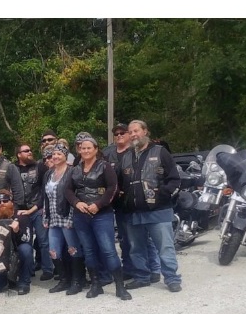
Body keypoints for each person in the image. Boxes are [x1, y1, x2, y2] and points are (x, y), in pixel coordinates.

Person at [65, 137, 132, 301]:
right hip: (81, 216)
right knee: (88, 251)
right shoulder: (74, 169)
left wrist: (99, 204)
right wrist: (76, 202)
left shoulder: (105, 166)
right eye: (83, 148)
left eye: (89, 148)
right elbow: (67, 189)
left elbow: (112, 188)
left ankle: (120, 286)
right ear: (79, 150)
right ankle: (96, 285)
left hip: (101, 215)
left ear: (96, 149)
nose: (86, 151)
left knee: (108, 250)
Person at [119, 120, 182, 293]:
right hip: (133, 212)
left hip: (158, 211)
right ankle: (142, 277)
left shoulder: (160, 152)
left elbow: (175, 180)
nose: (133, 134)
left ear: (145, 131)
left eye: (136, 131)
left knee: (165, 247)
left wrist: (162, 193)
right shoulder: (126, 156)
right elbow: (119, 183)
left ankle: (171, 278)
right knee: (136, 248)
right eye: (130, 132)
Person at [103, 123, 161, 282]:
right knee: (124, 238)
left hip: (139, 202)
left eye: (123, 133)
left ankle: (154, 269)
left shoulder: (136, 150)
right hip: (120, 203)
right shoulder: (108, 154)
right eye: (117, 133)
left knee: (145, 238)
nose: (119, 135)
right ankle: (129, 268)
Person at [42, 145, 84, 295]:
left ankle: (78, 280)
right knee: (53, 250)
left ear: (66, 156)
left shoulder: (72, 171)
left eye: (59, 154)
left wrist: (72, 217)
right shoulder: (48, 174)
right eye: (53, 154)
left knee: (73, 248)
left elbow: (75, 195)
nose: (56, 157)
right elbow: (45, 197)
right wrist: (45, 216)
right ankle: (64, 279)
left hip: (67, 215)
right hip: (53, 217)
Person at [0, 189, 34, 295]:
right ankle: (1, 279)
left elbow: (27, 240)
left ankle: (24, 282)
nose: (2, 204)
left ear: (12, 203)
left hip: (17, 251)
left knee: (26, 249)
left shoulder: (21, 216)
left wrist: (17, 231)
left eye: (5, 201)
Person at [15, 143, 53, 281]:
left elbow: (44, 189)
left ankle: (48, 269)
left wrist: (36, 207)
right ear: (19, 154)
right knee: (26, 241)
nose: (30, 152)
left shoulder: (39, 166)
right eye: (26, 151)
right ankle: (28, 270)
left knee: (43, 241)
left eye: (30, 150)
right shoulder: (12, 168)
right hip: (20, 211)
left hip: (37, 209)